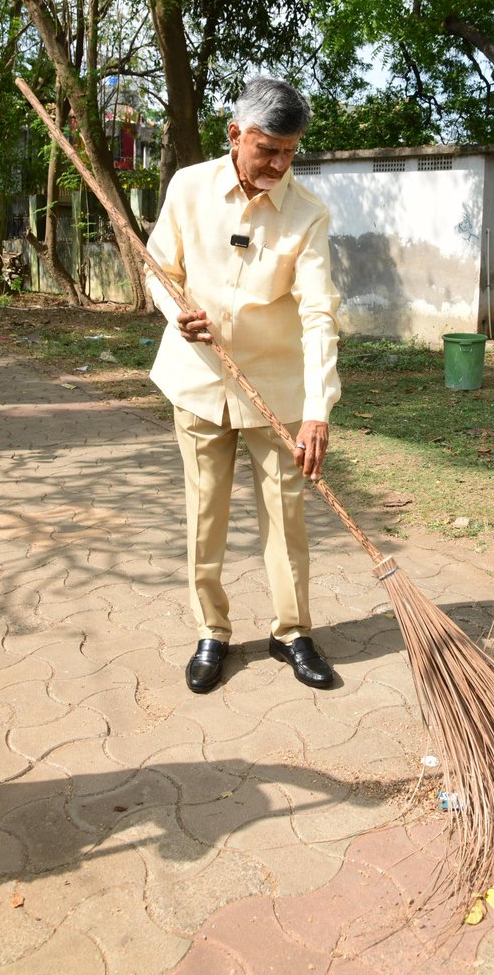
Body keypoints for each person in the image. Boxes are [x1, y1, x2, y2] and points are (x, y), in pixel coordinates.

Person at [145, 78, 341, 692]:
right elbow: (159, 267)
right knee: (205, 514)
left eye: (290, 152)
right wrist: (175, 309)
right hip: (199, 383)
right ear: (236, 135)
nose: (279, 165)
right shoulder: (188, 187)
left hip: (276, 394)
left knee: (285, 517)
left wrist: (317, 411)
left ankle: (292, 633)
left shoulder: (308, 214)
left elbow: (318, 314)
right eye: (268, 150)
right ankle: (213, 631)